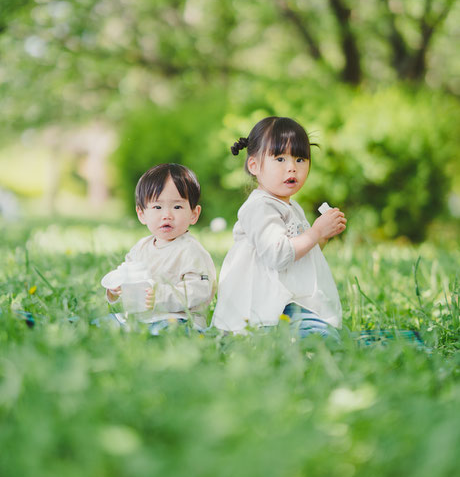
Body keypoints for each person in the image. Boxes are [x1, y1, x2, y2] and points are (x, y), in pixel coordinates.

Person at [212, 116, 347, 337]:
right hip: (263, 307)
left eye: (300, 159)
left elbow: (298, 258)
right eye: (280, 159)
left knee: (325, 333)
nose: (292, 168)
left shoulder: (291, 207)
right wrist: (316, 231)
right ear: (254, 165)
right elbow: (278, 255)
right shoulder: (259, 207)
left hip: (285, 301)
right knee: (323, 337)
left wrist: (322, 237)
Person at [102, 163, 216, 334]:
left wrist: (160, 296)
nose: (167, 215)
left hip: (179, 319)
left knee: (169, 332)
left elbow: (199, 292)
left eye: (177, 207)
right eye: (157, 207)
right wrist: (116, 289)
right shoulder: (140, 248)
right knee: (102, 324)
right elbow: (129, 276)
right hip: (142, 318)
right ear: (142, 214)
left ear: (194, 214)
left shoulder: (191, 251)